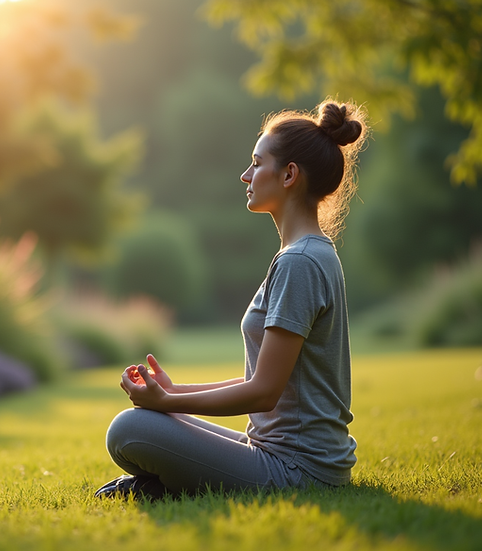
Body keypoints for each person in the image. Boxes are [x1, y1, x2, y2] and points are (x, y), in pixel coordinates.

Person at [96, 99, 370, 499]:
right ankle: (166, 486)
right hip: (283, 455)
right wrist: (172, 396)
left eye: (257, 163)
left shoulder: (300, 262)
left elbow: (263, 392)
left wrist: (168, 402)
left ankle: (165, 487)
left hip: (298, 469)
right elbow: (267, 381)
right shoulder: (309, 253)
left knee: (128, 430)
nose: (246, 175)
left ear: (289, 174)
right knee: (147, 418)